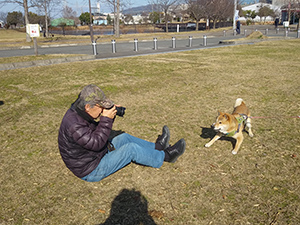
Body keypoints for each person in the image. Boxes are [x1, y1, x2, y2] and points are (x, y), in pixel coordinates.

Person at [58, 84, 186, 182]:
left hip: (95, 155)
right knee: (130, 150)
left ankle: (158, 147)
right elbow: (96, 143)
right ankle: (167, 156)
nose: (102, 110)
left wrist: (110, 115)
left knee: (124, 137)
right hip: (91, 169)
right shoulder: (74, 124)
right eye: (100, 107)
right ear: (88, 107)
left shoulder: (80, 112)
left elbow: (96, 132)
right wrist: (106, 119)